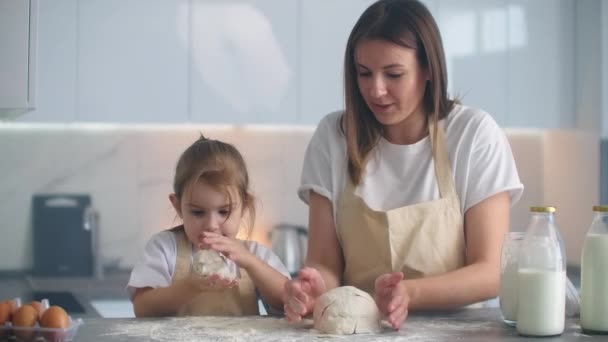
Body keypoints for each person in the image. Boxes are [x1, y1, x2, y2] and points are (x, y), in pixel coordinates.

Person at [284, 0, 524, 330]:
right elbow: (325, 263)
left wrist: (410, 293)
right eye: (363, 73)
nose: (375, 90)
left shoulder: (473, 135)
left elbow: (491, 271)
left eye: (393, 74)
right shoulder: (333, 138)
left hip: (466, 332)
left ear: (428, 69)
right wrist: (312, 288)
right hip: (362, 333)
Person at [128, 135, 290, 317]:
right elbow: (142, 308)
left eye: (224, 212)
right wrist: (189, 287)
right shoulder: (165, 249)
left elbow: (288, 302)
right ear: (178, 206)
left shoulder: (255, 254)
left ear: (244, 206)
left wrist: (252, 264)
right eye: (197, 212)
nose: (211, 226)